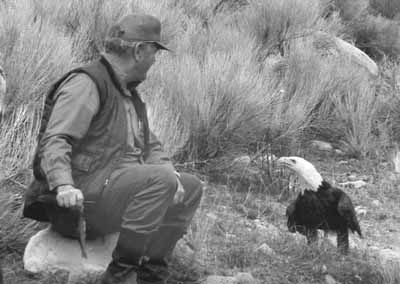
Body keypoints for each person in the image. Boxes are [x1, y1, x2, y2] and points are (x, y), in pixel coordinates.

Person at [23, 13, 203, 284]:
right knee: (159, 180)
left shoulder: (127, 93)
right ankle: (119, 274)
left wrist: (171, 174)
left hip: (109, 192)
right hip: (78, 205)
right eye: (155, 51)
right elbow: (56, 139)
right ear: (139, 50)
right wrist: (63, 185)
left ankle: (150, 274)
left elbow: (148, 142)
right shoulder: (87, 84)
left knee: (189, 187)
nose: (155, 59)